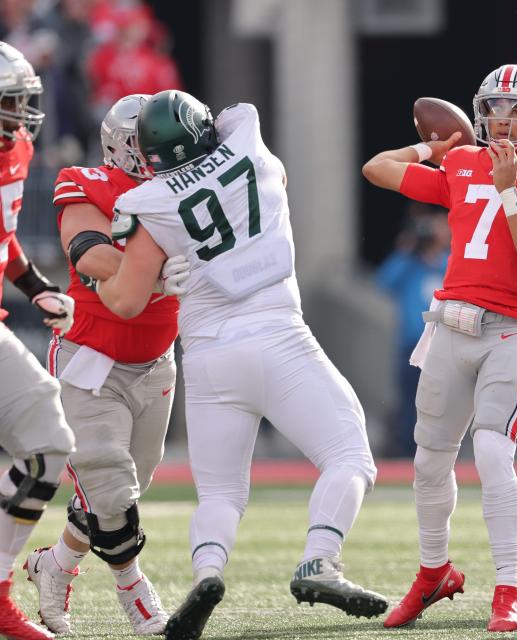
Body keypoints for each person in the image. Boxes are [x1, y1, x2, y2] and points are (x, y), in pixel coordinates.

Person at [96, 90, 387, 640]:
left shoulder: (149, 201)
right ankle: (320, 559)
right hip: (278, 333)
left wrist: (109, 276)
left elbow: (127, 301)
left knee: (222, 494)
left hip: (208, 355)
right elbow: (224, 118)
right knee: (349, 455)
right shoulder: (252, 144)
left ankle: (208, 573)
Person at [362, 63, 517, 632]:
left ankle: (508, 587)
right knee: (427, 461)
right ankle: (434, 572)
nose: (502, 119)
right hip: (450, 325)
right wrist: (431, 146)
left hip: (512, 328)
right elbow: (377, 169)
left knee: (491, 452)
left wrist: (511, 192)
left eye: (515, 109)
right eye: (493, 107)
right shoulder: (462, 163)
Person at [23, 94, 190, 636]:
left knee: (119, 491)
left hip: (158, 361)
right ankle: (133, 589)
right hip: (90, 358)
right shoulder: (87, 180)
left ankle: (56, 565)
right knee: (110, 487)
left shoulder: (192, 183)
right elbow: (88, 251)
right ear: (124, 146)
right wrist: (159, 275)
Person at [0, 40, 76, 640]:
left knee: (48, 444)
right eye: (9, 101)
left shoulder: (17, 147)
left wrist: (36, 286)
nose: (21, 114)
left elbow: (4, 239)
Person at [375, 204, 449, 458]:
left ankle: (439, 450)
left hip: (446, 344)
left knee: (443, 402)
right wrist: (405, 249)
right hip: (412, 344)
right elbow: (384, 282)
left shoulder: (450, 263)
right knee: (410, 401)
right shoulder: (409, 265)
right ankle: (407, 450)